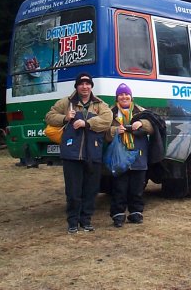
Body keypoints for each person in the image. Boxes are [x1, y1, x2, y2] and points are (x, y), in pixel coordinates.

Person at [45, 73, 113, 234]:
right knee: (73, 191)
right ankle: (73, 223)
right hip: (71, 155)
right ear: (76, 86)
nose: (85, 86)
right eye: (81, 84)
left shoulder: (99, 105)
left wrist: (87, 123)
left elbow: (107, 120)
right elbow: (49, 116)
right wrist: (64, 117)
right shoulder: (66, 103)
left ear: (91, 86)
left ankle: (86, 221)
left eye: (87, 83)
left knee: (91, 191)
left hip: (93, 154)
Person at [106, 83, 156, 228]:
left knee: (137, 187)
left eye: (126, 94)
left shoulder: (140, 111)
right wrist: (115, 130)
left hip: (138, 155)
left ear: (131, 96)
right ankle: (118, 215)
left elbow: (153, 125)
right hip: (120, 156)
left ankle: (136, 213)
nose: (124, 97)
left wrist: (141, 123)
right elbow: (103, 131)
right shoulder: (110, 112)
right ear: (117, 97)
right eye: (121, 94)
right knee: (119, 188)